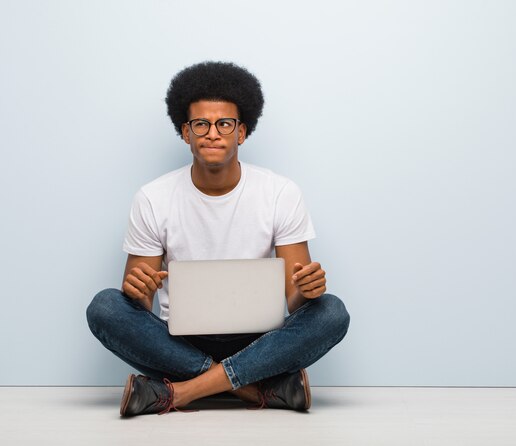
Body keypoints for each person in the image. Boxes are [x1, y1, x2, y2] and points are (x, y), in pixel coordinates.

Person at [86, 61, 350, 417]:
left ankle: (179, 392)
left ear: (241, 132)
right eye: (201, 124)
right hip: (180, 339)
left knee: (331, 311)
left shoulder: (280, 192)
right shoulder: (153, 197)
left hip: (259, 340)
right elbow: (140, 304)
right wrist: (137, 288)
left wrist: (308, 288)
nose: (213, 133)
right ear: (186, 132)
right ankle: (255, 389)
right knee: (105, 307)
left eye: (224, 123)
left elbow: (295, 300)